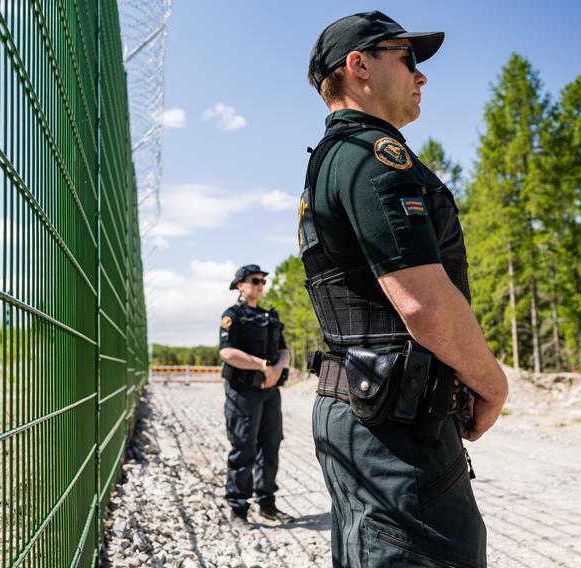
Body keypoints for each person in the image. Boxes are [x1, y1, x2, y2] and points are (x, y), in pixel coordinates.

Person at [299, 11, 509, 567]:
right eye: (407, 58)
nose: (422, 76)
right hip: (393, 424)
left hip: (368, 409)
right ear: (359, 65)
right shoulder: (374, 159)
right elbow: (424, 303)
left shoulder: (335, 161)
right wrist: (491, 385)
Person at [218, 264, 294, 524]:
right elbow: (227, 353)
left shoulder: (269, 316)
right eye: (255, 280)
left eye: (263, 280)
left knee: (270, 445)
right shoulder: (233, 316)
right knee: (244, 447)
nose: (260, 284)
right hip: (242, 391)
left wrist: (276, 370)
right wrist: (262, 365)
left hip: (270, 390)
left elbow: (284, 351)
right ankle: (238, 509)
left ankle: (267, 504)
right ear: (240, 285)